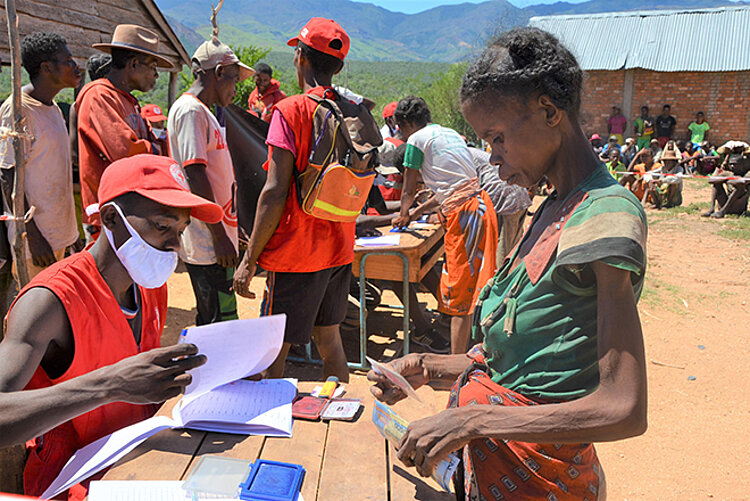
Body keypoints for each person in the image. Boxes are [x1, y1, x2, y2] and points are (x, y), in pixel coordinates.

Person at [369, 27, 647, 500]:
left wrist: (473, 420)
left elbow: (623, 406)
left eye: (497, 139)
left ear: (548, 111)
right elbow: (526, 366)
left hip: (542, 482)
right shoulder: (553, 208)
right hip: (501, 472)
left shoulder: (605, 217)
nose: (493, 161)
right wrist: (429, 368)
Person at [0, 154, 219, 499]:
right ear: (111, 218)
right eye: (163, 226)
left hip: (142, 460)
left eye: (180, 230)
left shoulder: (149, 284)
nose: (175, 244)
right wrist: (110, 384)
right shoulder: (49, 302)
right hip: (74, 480)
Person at [233, 18, 366, 382]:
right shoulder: (351, 111)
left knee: (274, 347)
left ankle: (271, 428)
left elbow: (274, 191)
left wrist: (249, 258)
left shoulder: (290, 111)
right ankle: (341, 415)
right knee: (330, 340)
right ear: (337, 67)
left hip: (296, 254)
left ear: (299, 58)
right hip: (338, 248)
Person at [392, 96, 498, 354]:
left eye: (401, 129)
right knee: (476, 284)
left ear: (406, 123)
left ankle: (455, 363)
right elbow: (449, 189)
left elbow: (407, 189)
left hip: (463, 215)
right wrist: (417, 211)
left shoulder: (415, 141)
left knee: (458, 294)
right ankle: (477, 349)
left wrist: (404, 214)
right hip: (481, 206)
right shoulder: (446, 133)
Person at [168, 38, 253, 326]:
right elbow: (195, 174)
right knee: (218, 320)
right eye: (233, 79)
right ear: (217, 73)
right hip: (207, 242)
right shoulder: (190, 111)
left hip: (217, 236)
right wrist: (219, 236)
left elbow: (217, 178)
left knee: (219, 314)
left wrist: (231, 226)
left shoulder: (205, 113)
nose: (234, 88)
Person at [76, 24, 173, 240]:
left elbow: (150, 143)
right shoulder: (99, 96)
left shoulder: (128, 101)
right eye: (153, 66)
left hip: (130, 210)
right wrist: (157, 153)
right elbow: (127, 153)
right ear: (134, 64)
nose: (156, 74)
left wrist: (154, 150)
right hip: (109, 214)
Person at [0, 33, 83, 282]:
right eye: (67, 60)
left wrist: (71, 234)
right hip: (37, 243)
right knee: (36, 314)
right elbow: (7, 175)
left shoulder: (53, 108)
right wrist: (31, 237)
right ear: (46, 68)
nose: (75, 65)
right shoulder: (18, 109)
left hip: (59, 235)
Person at [702, 141, 750, 218]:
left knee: (740, 188)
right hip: (726, 201)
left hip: (739, 206)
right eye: (731, 164)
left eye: (735, 164)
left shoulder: (747, 173)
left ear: (742, 164)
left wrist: (728, 180)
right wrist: (727, 179)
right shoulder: (728, 173)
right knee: (716, 184)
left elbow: (743, 182)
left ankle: (723, 211)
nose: (732, 166)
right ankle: (711, 208)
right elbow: (710, 180)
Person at [642, 141, 684, 209]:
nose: (667, 163)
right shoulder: (662, 168)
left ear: (674, 162)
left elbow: (677, 179)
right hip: (662, 193)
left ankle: (669, 203)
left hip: (675, 197)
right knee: (648, 183)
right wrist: (651, 181)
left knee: (673, 184)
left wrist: (662, 180)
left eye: (669, 161)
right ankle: (657, 203)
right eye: (666, 161)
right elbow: (647, 174)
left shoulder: (679, 169)